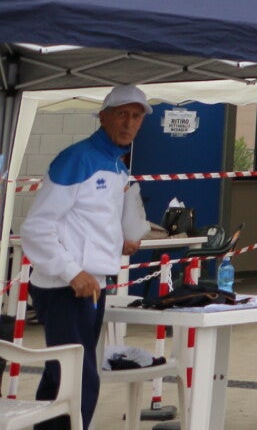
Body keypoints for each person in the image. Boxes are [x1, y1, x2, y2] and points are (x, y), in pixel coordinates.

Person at [20, 84, 152, 429]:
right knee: (79, 381)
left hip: (92, 285)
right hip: (66, 287)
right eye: (122, 114)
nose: (129, 123)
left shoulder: (117, 166)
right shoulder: (77, 158)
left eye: (136, 116)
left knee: (61, 379)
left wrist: (119, 242)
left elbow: (87, 222)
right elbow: (36, 228)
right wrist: (72, 272)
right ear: (103, 117)